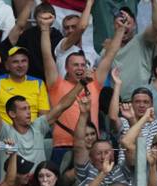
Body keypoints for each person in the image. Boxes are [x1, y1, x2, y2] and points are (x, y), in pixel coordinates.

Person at [46, 19, 123, 162]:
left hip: (92, 146)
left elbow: (110, 54)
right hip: (64, 146)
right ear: (66, 68)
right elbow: (46, 56)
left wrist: (120, 30)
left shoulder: (93, 83)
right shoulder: (57, 85)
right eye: (75, 65)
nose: (80, 68)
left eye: (83, 65)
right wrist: (45, 30)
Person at [110, 1, 157, 99]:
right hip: (118, 104)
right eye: (121, 23)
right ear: (114, 26)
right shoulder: (108, 49)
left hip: (142, 101)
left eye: (128, 23)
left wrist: (155, 2)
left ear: (135, 25)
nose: (124, 26)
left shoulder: (142, 40)